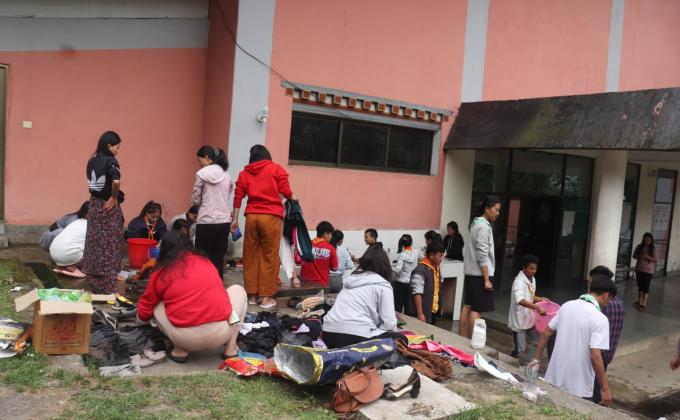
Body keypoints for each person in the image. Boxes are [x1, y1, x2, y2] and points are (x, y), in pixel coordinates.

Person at [136, 231, 247, 363]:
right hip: (222, 333)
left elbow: (145, 310)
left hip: (185, 339)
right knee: (238, 290)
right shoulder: (206, 262)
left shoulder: (162, 272)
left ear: (164, 250)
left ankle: (179, 351)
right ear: (189, 246)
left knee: (156, 303)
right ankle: (230, 348)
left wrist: (139, 320)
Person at [531, 272, 616, 406]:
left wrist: (536, 360)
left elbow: (546, 333)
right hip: (579, 389)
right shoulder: (600, 319)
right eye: (609, 299)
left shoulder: (567, 306)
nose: (608, 303)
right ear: (605, 294)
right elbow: (595, 355)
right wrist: (605, 389)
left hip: (553, 379)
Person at [231, 145, 295, 309]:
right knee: (269, 256)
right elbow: (286, 191)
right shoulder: (276, 169)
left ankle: (252, 295)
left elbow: (238, 197)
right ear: (267, 155)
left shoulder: (244, 174)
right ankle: (266, 298)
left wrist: (235, 219)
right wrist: (290, 197)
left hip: (251, 217)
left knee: (250, 255)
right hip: (271, 217)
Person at [322, 244, 407, 349]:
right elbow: (390, 324)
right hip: (354, 336)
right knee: (401, 338)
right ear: (385, 265)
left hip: (328, 334)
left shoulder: (351, 281)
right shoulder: (383, 285)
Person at [83, 131, 124, 294]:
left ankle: (95, 285)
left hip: (94, 206)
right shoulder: (111, 161)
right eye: (117, 147)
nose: (118, 151)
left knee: (94, 243)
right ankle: (109, 288)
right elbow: (116, 180)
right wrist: (114, 197)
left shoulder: (91, 161)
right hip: (108, 207)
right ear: (109, 146)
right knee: (110, 244)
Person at [459, 195, 501, 338]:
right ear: (487, 209)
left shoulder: (476, 223)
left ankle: (461, 338)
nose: (497, 213)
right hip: (479, 274)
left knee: (468, 306)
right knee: (476, 309)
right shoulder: (483, 226)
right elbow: (482, 254)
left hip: (471, 273)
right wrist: (486, 279)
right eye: (496, 210)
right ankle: (473, 341)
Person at [192, 146, 233, 277]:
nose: (200, 164)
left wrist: (200, 204)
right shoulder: (227, 176)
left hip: (206, 221)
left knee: (202, 258)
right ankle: (217, 284)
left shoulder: (201, 174)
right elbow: (228, 194)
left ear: (207, 158)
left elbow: (196, 198)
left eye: (200, 160)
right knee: (218, 258)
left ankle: (202, 285)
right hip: (224, 222)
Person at [590, 265, 624, 404]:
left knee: (592, 392)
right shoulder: (619, 304)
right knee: (598, 387)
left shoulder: (601, 305)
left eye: (591, 281)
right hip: (608, 353)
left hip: (596, 353)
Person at [507, 254, 546, 360]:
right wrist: (537, 308)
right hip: (519, 321)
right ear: (524, 268)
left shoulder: (532, 279)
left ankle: (528, 363)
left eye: (535, 269)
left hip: (529, 318)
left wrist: (541, 299)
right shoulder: (518, 282)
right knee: (520, 351)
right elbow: (520, 300)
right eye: (531, 269)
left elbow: (531, 296)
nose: (534, 271)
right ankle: (514, 362)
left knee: (537, 341)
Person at [408, 241, 445, 325]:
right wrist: (420, 313)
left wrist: (439, 306)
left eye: (442, 256)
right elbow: (417, 293)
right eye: (439, 256)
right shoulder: (420, 270)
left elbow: (437, 290)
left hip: (432, 311)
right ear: (431, 255)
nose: (441, 259)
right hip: (423, 313)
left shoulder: (436, 268)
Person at [300, 221, 338, 287]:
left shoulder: (306, 244)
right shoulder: (331, 248)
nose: (331, 237)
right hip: (321, 285)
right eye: (331, 234)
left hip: (304, 284)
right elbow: (335, 268)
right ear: (326, 233)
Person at [392, 234, 420, 313]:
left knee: (398, 306)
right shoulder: (416, 252)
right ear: (411, 242)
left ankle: (398, 320)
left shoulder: (402, 255)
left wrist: (388, 267)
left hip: (400, 283)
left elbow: (397, 270)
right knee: (408, 306)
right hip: (411, 282)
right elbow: (424, 259)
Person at [633, 232, 656, 311]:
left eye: (648, 240)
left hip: (648, 271)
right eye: (645, 239)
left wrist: (647, 256)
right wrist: (639, 255)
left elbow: (655, 260)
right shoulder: (639, 247)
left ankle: (643, 304)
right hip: (639, 269)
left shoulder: (653, 249)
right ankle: (640, 302)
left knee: (646, 287)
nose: (647, 241)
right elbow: (634, 256)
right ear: (643, 239)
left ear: (651, 240)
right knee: (640, 287)